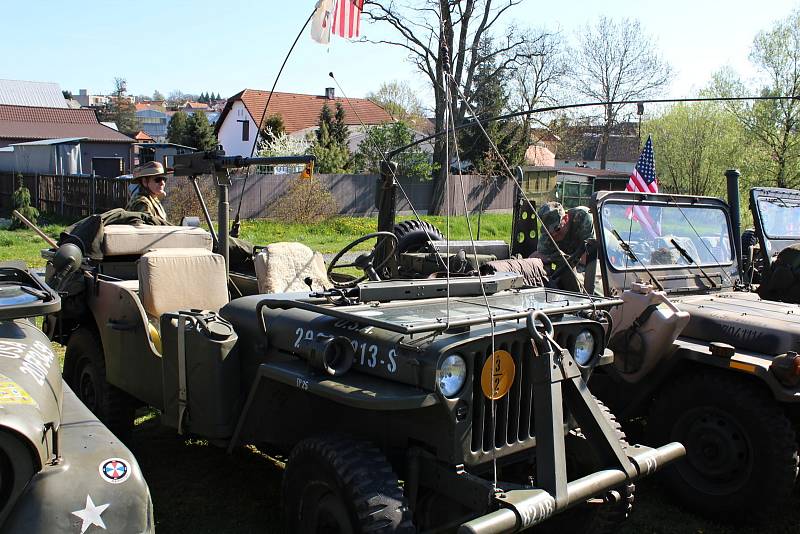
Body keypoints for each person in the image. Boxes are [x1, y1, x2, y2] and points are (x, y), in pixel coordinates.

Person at [531, 201, 598, 293]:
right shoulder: (548, 235)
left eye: (557, 229)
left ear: (566, 218)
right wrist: (555, 259)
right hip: (572, 262)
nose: (553, 234)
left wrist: (563, 260)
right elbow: (538, 256)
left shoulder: (583, 217)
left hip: (595, 259)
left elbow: (587, 258)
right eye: (549, 232)